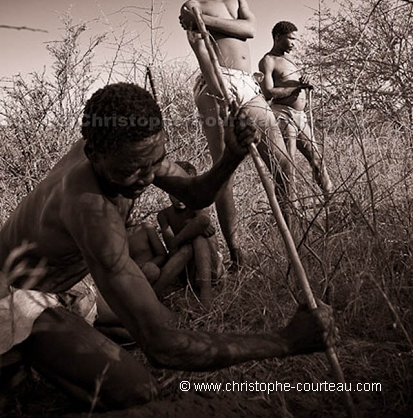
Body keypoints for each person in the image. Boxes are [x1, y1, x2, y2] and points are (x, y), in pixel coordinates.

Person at [0, 82, 336, 410]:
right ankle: (20, 356)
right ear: (94, 155)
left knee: (144, 324)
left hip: (66, 286)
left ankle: (51, 344)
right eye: (131, 171)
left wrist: (231, 157)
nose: (147, 178)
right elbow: (163, 348)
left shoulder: (126, 148)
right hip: (12, 297)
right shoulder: (90, 206)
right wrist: (285, 341)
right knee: (137, 388)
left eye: (154, 163)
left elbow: (193, 193)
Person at [180, 0, 294, 264]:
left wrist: (204, 21)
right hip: (215, 82)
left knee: (282, 162)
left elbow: (251, 29)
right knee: (223, 170)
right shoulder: (191, 4)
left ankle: (293, 238)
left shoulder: (235, 1)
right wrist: (219, 90)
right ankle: (236, 253)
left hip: (248, 84)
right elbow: (202, 51)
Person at [258, 21, 333, 207]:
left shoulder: (291, 60)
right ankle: (290, 208)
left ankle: (332, 202)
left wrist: (306, 83)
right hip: (283, 115)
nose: (294, 43)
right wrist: (294, 90)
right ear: (278, 37)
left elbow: (296, 84)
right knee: (287, 165)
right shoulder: (268, 60)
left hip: (301, 117)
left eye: (295, 39)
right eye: (290, 38)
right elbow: (267, 93)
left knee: (317, 159)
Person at [156, 161, 223, 308]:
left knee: (199, 239)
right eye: (174, 192)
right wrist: (191, 228)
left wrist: (184, 234)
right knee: (188, 247)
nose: (179, 198)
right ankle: (154, 292)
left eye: (184, 192)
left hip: (211, 269)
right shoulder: (164, 215)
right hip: (187, 273)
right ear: (167, 190)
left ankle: (206, 292)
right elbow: (172, 247)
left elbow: (204, 220)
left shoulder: (198, 207)